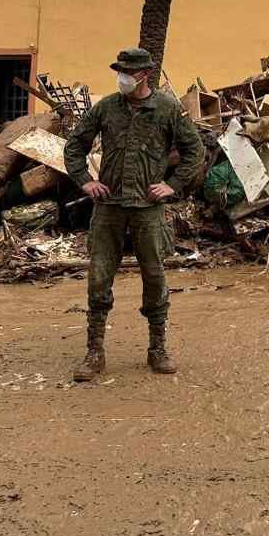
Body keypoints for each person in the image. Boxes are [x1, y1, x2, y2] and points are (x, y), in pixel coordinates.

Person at [64, 48, 205, 382]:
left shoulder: (168, 108)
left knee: (154, 276)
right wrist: (85, 181)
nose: (121, 77)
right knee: (99, 277)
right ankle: (94, 351)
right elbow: (74, 145)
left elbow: (194, 151)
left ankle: (158, 347)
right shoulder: (107, 108)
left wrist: (172, 185)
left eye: (127, 72)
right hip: (109, 208)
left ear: (144, 75)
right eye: (120, 71)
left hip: (148, 210)